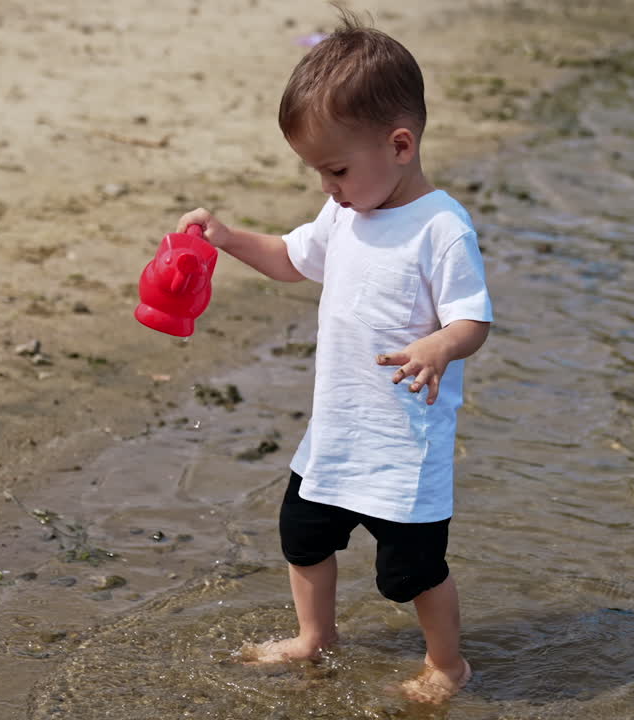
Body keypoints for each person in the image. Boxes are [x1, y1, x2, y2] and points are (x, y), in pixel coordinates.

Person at [176, 8, 492, 704]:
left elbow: (473, 317)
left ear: (400, 145)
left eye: (337, 168)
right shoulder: (346, 212)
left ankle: (447, 664)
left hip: (404, 450)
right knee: (302, 532)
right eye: (319, 171)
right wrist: (228, 237)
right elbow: (292, 258)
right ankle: (316, 636)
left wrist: (441, 343)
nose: (327, 185)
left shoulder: (440, 227)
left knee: (411, 571)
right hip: (339, 431)